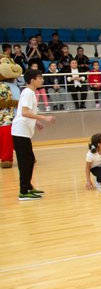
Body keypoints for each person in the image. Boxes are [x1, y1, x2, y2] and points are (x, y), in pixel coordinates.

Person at [12, 69, 55, 200]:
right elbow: (24, 112)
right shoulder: (27, 93)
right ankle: (23, 191)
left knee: (29, 160)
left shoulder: (30, 93)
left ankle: (28, 187)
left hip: (24, 132)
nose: (42, 80)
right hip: (20, 131)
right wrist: (44, 118)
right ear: (32, 80)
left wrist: (36, 122)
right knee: (25, 161)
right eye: (40, 78)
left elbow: (27, 112)